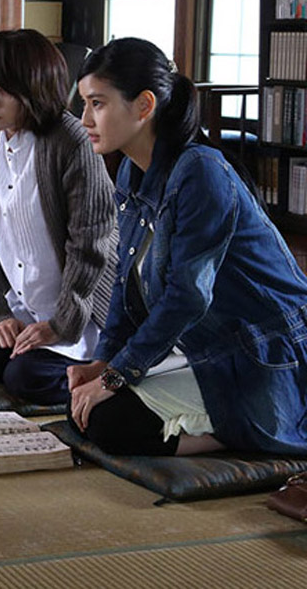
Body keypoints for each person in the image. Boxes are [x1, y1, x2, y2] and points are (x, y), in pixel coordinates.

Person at [69, 37, 307, 457]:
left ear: (144, 106)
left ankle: (243, 433)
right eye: (85, 103)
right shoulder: (130, 171)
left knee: (109, 420)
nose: (84, 117)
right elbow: (124, 288)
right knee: (81, 404)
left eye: (97, 103)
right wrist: (105, 364)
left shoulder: (200, 172)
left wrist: (116, 378)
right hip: (206, 347)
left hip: (261, 352)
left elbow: (187, 296)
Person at [0, 29, 118, 405]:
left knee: (24, 378)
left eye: (4, 90)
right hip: (24, 304)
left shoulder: (70, 141)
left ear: (35, 90)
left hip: (84, 309)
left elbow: (90, 244)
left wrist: (61, 325)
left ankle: (108, 378)